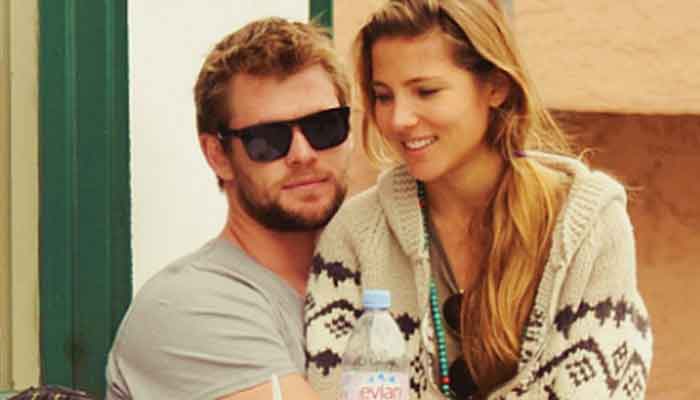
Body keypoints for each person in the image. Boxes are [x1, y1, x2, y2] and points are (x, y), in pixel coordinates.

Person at [304, 1, 653, 399]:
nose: (399, 119)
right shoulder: (354, 234)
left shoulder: (588, 225)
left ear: (496, 87)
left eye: (426, 91)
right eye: (383, 96)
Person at [106, 17, 352, 400]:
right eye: (268, 139)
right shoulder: (188, 306)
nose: (303, 154)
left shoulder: (375, 279)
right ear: (218, 155)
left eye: (324, 126)